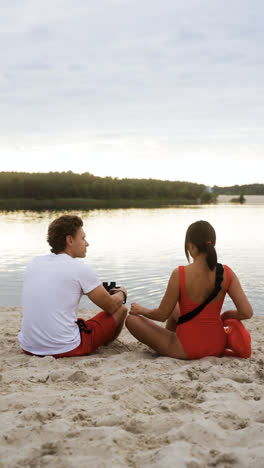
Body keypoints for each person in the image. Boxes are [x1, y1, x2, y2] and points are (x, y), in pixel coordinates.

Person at [126, 220, 253, 360]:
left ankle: (168, 342)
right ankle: (168, 338)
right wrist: (225, 315)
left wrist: (141, 310)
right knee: (175, 307)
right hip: (217, 346)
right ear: (213, 244)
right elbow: (246, 312)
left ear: (191, 247)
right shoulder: (227, 273)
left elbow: (161, 315)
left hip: (187, 348)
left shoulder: (179, 274)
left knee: (131, 320)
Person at [18, 215, 128, 358]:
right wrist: (121, 293)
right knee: (121, 309)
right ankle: (106, 343)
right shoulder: (79, 268)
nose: (87, 243)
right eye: (82, 238)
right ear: (70, 240)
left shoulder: (34, 263)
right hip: (65, 347)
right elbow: (111, 307)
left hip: (28, 346)